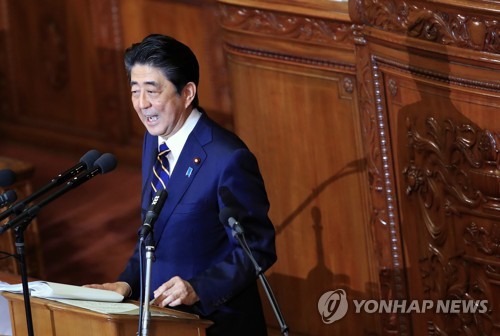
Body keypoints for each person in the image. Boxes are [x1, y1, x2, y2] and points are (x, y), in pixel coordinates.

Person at [86, 34, 277, 336]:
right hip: (163, 319)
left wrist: (197, 288)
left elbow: (257, 249)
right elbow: (153, 233)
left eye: (152, 91)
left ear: (187, 93)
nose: (141, 103)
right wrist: (126, 282)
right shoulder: (154, 138)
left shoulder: (228, 158)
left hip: (216, 322)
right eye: (135, 91)